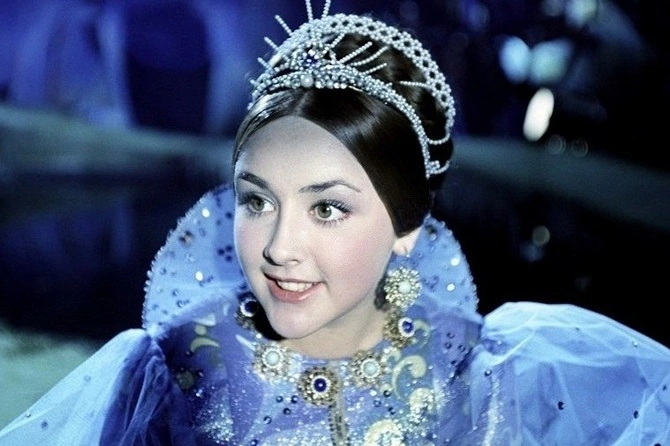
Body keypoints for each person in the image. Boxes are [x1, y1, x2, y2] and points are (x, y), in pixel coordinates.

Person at [1, 0, 669, 444]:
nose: (279, 248)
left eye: (327, 208)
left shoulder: (502, 377)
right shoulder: (166, 377)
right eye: (257, 201)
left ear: (408, 223)